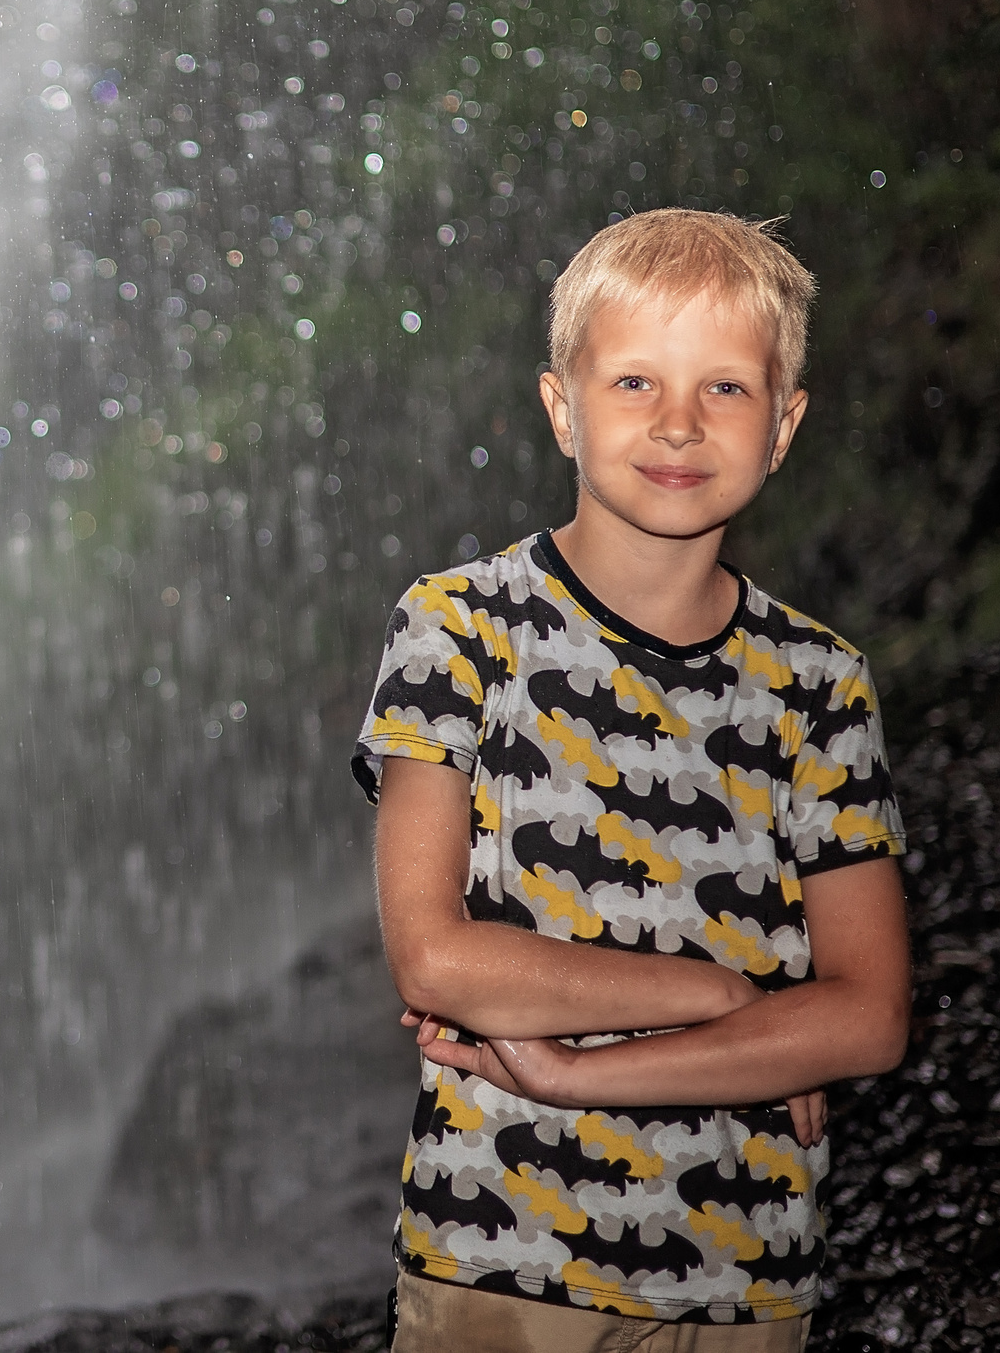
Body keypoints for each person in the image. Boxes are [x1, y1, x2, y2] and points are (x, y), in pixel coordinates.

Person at [354, 208, 912, 1351]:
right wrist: (724, 997)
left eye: (725, 390)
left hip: (748, 1269)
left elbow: (867, 1015)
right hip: (501, 1258)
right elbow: (434, 954)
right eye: (633, 384)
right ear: (562, 406)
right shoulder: (460, 629)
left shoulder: (817, 682)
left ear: (783, 426)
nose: (676, 423)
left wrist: (569, 1076)